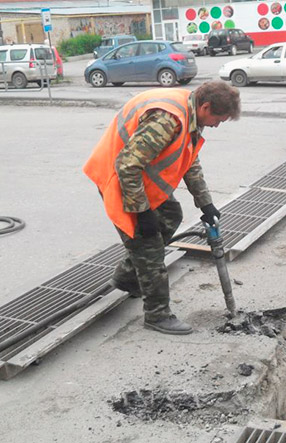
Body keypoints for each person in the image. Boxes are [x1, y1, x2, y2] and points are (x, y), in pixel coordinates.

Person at [83, 81, 241, 335]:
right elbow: (127, 165)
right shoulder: (167, 119)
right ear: (206, 105)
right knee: (149, 245)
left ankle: (128, 277)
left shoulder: (189, 112)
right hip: (119, 180)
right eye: (217, 118)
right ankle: (157, 315)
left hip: (138, 179)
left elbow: (189, 161)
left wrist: (206, 203)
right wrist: (142, 212)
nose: (216, 125)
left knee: (170, 215)